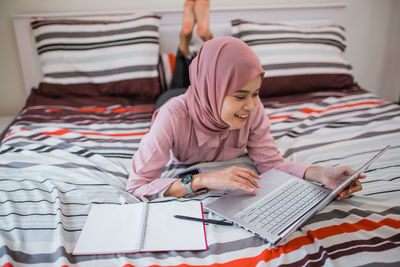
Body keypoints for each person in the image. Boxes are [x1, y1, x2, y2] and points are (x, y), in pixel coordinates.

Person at [126, 36, 365, 201]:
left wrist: (321, 174)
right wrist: (203, 179)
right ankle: (190, 41)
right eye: (240, 96)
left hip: (208, 93)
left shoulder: (252, 108)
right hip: (182, 102)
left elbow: (271, 164)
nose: (251, 105)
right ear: (215, 90)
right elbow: (138, 185)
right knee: (176, 89)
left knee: (209, 85)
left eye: (256, 93)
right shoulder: (171, 116)